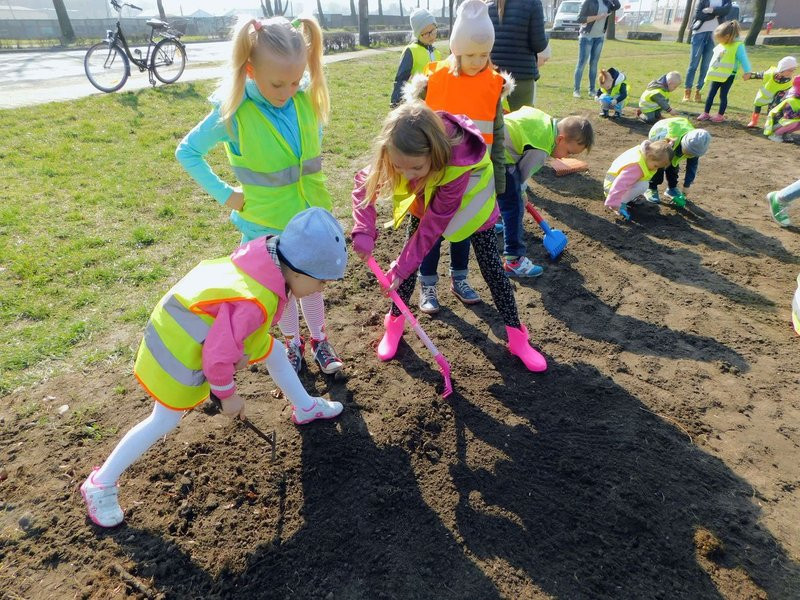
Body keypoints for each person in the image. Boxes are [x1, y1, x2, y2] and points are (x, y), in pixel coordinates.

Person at [80, 208, 348, 528]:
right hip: (179, 348)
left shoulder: (267, 256)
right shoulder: (255, 301)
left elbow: (229, 326)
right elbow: (217, 359)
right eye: (321, 281)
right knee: (163, 419)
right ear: (300, 272)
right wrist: (227, 396)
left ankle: (305, 407)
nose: (321, 290)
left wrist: (237, 357)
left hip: (202, 327)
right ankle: (100, 484)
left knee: (275, 350)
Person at [176, 16, 344, 376]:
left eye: (297, 80)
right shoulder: (233, 113)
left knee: (312, 286)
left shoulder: (305, 101)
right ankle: (291, 344)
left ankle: (319, 340)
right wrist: (226, 195)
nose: (288, 90)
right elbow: (187, 152)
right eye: (278, 82)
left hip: (308, 218)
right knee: (277, 294)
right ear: (250, 70)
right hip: (265, 227)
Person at [351, 102, 548, 373]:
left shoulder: (456, 163)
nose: (407, 177)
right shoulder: (401, 151)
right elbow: (365, 183)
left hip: (474, 211)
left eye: (416, 168)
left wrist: (402, 264)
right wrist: (364, 229)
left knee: (493, 270)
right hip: (427, 203)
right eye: (399, 167)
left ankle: (517, 337)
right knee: (405, 272)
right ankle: (394, 323)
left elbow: (433, 227)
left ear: (435, 153)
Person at [404, 0, 510, 314]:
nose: (478, 61)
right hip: (435, 180)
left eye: (484, 54)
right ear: (455, 49)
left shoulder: (493, 86)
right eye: (470, 54)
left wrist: (499, 183)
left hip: (474, 180)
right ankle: (428, 284)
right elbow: (413, 129)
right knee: (431, 235)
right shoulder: (432, 82)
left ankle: (460, 279)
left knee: (464, 231)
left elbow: (499, 138)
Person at [499, 107, 594, 275]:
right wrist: (521, 193)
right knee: (514, 207)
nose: (564, 157)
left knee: (500, 195)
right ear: (560, 139)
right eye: (568, 152)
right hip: (499, 155)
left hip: (490, 142)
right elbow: (522, 174)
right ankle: (514, 260)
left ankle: (492, 223)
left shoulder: (544, 120)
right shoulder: (540, 150)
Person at [486, 0, 548, 110]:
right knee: (522, 123)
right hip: (522, 77)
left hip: (492, 76)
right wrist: (546, 36)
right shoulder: (533, 3)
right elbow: (539, 45)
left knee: (493, 124)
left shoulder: (487, 4)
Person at [645, 117, 711, 207]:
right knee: (660, 165)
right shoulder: (667, 139)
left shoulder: (697, 145)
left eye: (692, 154)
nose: (689, 156)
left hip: (676, 141)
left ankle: (672, 188)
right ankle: (651, 188)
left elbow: (692, 166)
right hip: (658, 134)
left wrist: (686, 186)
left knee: (673, 165)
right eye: (688, 152)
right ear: (684, 143)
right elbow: (657, 159)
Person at [604, 140, 674, 221]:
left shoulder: (644, 152)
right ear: (649, 156)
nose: (656, 169)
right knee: (643, 185)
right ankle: (621, 202)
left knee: (642, 182)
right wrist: (614, 202)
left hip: (613, 180)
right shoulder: (637, 167)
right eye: (656, 166)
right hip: (611, 186)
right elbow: (620, 183)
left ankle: (628, 197)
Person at [697, 20, 752, 123]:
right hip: (716, 75)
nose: (718, 41)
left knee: (723, 95)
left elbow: (744, 59)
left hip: (728, 75)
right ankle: (706, 113)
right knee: (711, 94)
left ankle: (720, 115)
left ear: (727, 36)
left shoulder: (737, 46)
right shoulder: (721, 45)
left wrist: (747, 71)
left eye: (719, 38)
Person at [390, 8, 442, 108]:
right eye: (426, 34)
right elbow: (401, 79)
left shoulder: (437, 53)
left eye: (433, 31)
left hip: (435, 102)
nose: (431, 36)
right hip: (418, 103)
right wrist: (396, 102)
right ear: (418, 34)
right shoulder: (411, 50)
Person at [683, 0, 732, 103]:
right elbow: (698, 15)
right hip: (699, 33)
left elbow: (726, 10)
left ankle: (698, 92)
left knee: (706, 66)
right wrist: (716, 13)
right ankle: (687, 92)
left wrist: (711, 10)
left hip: (715, 35)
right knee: (693, 65)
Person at [572, 0, 621, 99]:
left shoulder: (606, 2)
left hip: (599, 37)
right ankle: (576, 90)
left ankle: (592, 90)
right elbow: (579, 19)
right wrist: (596, 18)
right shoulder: (588, 2)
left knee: (594, 64)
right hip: (587, 37)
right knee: (582, 64)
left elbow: (617, 5)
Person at [747, 56, 796, 128]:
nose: (791, 72)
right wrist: (750, 75)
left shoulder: (789, 82)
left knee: (772, 109)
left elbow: (787, 92)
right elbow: (759, 74)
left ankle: (769, 124)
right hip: (763, 94)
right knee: (757, 104)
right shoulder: (770, 73)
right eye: (789, 70)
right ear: (783, 69)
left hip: (776, 97)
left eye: (793, 70)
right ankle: (754, 121)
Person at [763, 75, 800, 142]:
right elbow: (788, 116)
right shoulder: (791, 100)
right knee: (794, 122)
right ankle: (775, 134)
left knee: (796, 122)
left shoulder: (797, 100)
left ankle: (785, 133)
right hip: (776, 123)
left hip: (784, 122)